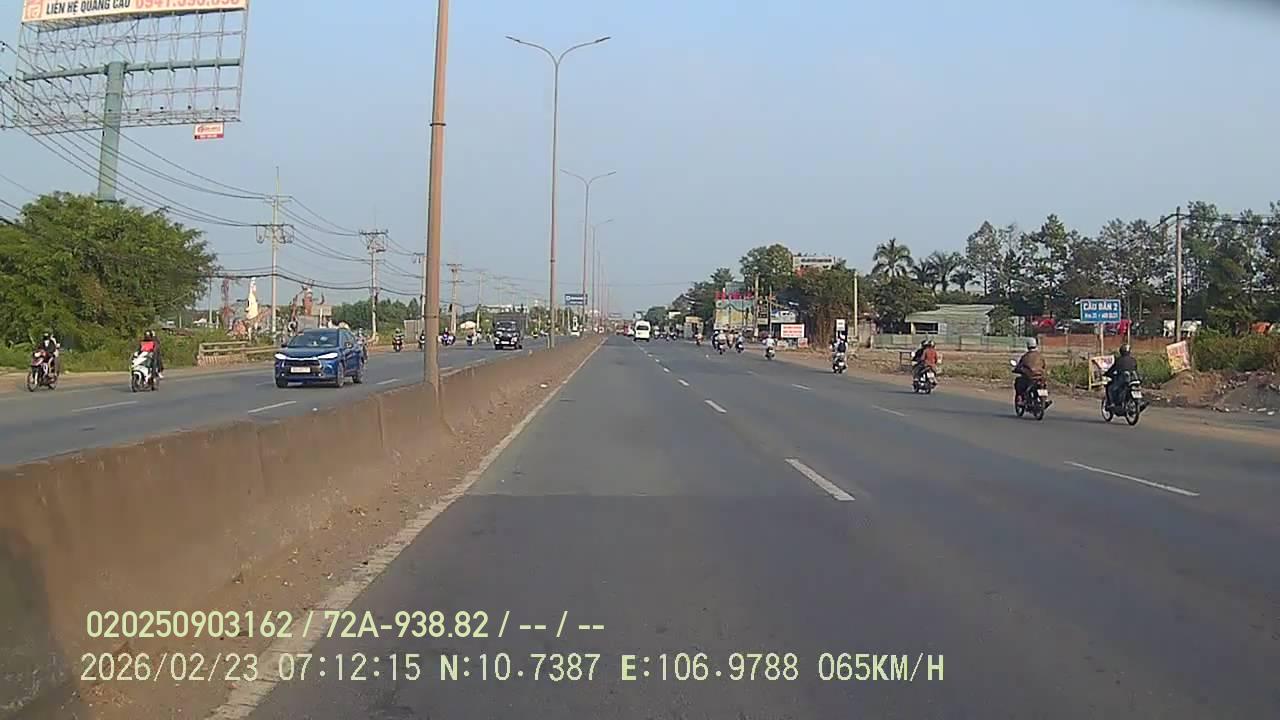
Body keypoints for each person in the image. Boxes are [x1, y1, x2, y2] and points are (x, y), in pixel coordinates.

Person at [1012, 337, 1046, 406]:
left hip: (1029, 377)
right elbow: (1044, 365)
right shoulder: (1040, 356)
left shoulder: (1025, 356)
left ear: (1028, 345)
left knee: (1018, 383)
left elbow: (1020, 365)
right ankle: (1043, 399)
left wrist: (1016, 369)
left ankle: (1020, 399)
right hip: (1040, 377)